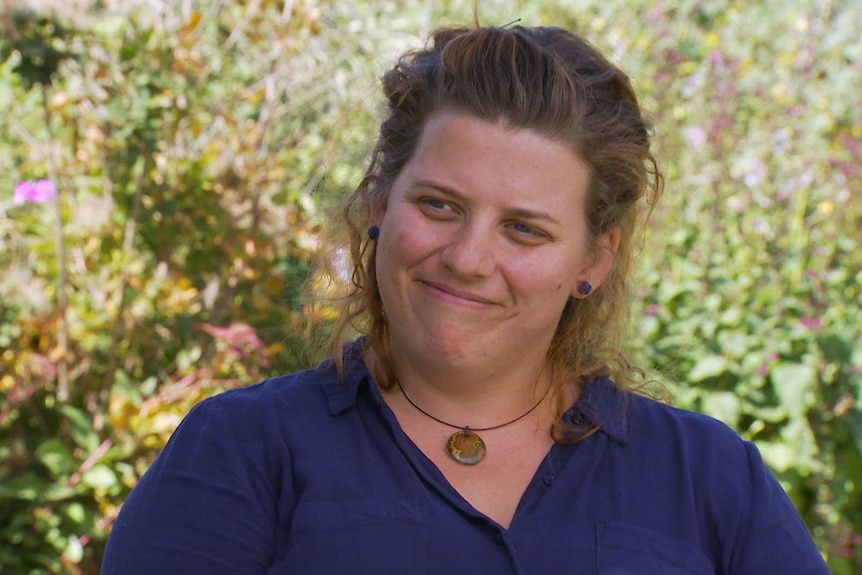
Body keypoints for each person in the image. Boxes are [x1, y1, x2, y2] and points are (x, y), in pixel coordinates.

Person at [100, 24, 829, 575]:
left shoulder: (709, 479)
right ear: (383, 202)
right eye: (441, 204)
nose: (469, 258)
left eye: (524, 227)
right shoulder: (241, 453)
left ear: (594, 258)